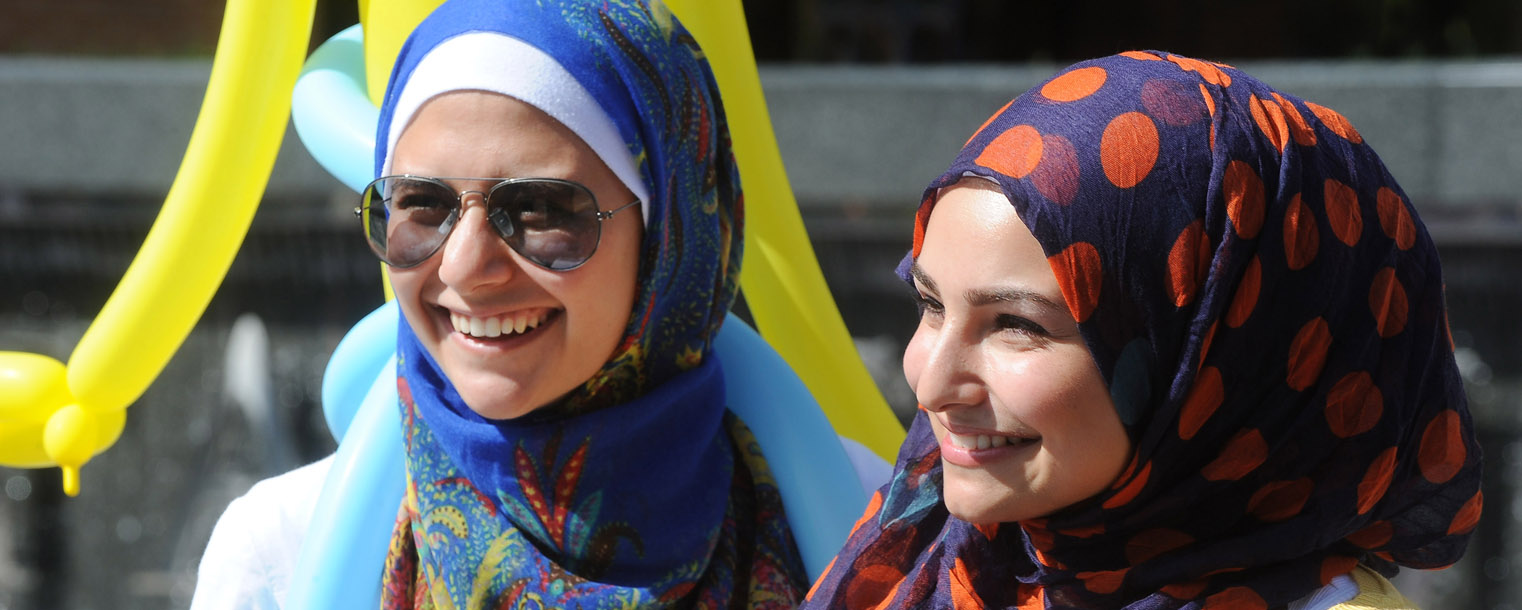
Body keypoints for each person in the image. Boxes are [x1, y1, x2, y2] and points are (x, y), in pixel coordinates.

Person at [801, 51, 1482, 609]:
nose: (933, 383)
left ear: (1226, 354)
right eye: (930, 303)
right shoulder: (955, 566)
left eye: (1015, 325)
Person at [192, 0, 816, 608]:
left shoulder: (856, 521)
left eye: (540, 208)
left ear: (670, 238)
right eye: (421, 204)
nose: (465, 267)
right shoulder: (279, 555)